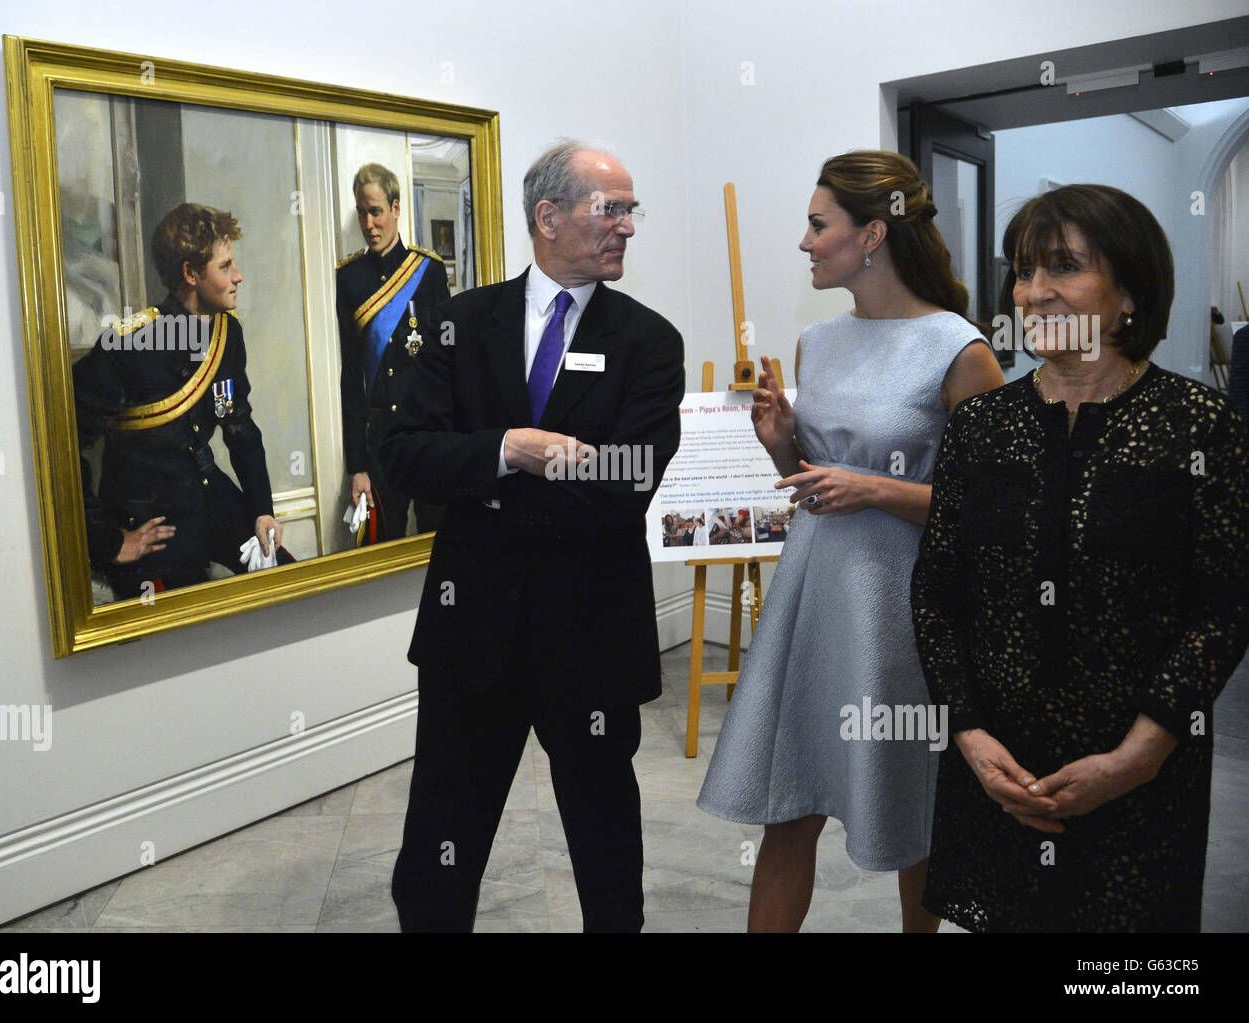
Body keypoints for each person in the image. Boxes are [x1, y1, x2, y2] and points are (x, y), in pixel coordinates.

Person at [911, 184, 1249, 932]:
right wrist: (967, 731)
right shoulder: (981, 426)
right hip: (997, 766)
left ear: (1129, 288)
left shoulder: (1197, 425)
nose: (1034, 293)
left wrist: (1140, 752)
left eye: (1063, 267)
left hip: (1138, 773)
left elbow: (1225, 604)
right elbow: (936, 590)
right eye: (1024, 272)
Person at [379, 139, 685, 932]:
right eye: (609, 208)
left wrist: (482, 488)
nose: (626, 226)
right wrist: (510, 449)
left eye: (629, 209)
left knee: (605, 850)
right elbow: (406, 455)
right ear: (548, 217)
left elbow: (626, 483)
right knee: (440, 847)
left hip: (590, 636)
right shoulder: (458, 323)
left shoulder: (651, 343)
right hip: (471, 633)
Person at [697, 150, 1005, 932]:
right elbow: (816, 483)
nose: (804, 243)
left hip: (903, 608)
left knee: (909, 805)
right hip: (814, 595)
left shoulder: (961, 350)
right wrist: (781, 444)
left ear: (872, 234)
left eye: (816, 224)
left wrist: (876, 488)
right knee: (788, 804)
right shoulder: (820, 343)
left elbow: (997, 513)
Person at [74, 203, 283, 601]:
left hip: (210, 499)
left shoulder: (227, 334)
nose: (238, 276)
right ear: (190, 274)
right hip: (151, 525)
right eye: (226, 267)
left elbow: (238, 428)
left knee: (288, 584)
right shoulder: (129, 343)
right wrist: (107, 541)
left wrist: (262, 510)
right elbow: (62, 444)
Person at [337, 163, 450, 543]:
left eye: (376, 211)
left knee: (440, 545)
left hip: (429, 435)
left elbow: (446, 365)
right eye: (362, 213)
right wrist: (357, 465)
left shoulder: (429, 271)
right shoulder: (348, 279)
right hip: (381, 444)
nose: (369, 224)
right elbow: (351, 378)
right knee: (385, 549)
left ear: (396, 209)